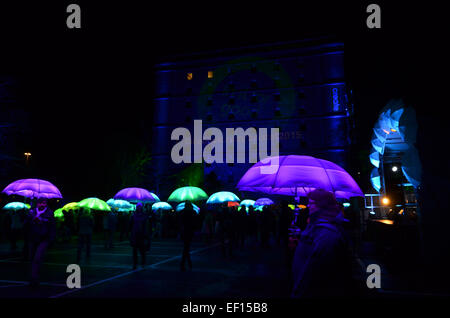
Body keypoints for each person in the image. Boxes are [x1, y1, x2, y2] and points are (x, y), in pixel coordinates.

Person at [291, 188, 354, 298]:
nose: (308, 206)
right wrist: (300, 240)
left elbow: (316, 268)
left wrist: (299, 291)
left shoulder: (327, 233)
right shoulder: (315, 225)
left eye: (311, 203)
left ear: (322, 205)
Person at [25, 198, 56, 287]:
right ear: (37, 204)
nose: (41, 205)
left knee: (37, 258)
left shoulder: (49, 213)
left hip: (44, 239)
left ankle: (34, 278)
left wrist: (41, 220)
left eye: (43, 203)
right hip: (33, 238)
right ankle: (34, 274)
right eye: (40, 203)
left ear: (46, 204)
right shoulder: (32, 211)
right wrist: (29, 217)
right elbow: (26, 223)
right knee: (32, 258)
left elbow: (52, 226)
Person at [129, 203, 151, 269]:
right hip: (135, 235)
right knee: (135, 251)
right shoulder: (133, 216)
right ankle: (135, 264)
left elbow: (147, 226)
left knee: (142, 251)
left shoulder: (144, 216)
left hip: (142, 235)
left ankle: (143, 263)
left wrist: (147, 236)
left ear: (141, 208)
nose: (138, 208)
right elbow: (130, 225)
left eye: (139, 207)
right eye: (137, 207)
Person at [179, 201, 196, 271]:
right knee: (186, 248)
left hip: (184, 232)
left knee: (186, 248)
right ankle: (186, 263)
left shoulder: (182, 213)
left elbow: (180, 223)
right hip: (189, 232)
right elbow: (194, 222)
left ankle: (188, 263)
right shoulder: (192, 212)